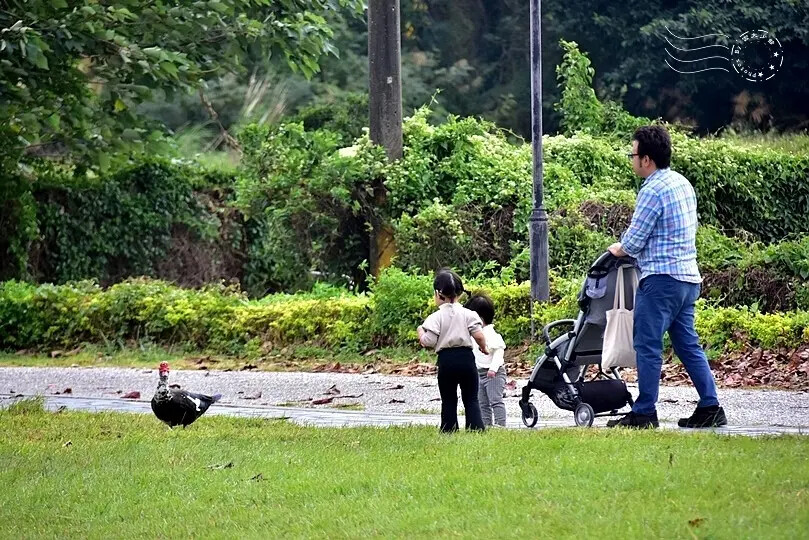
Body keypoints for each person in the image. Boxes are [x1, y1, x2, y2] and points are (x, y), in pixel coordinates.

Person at [607, 125, 727, 429]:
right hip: (687, 279)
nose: (632, 159)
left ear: (646, 159)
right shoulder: (682, 183)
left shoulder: (652, 190)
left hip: (661, 280)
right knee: (688, 345)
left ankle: (645, 412)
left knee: (647, 345)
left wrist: (617, 248)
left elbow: (634, 242)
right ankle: (711, 406)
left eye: (633, 154)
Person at [418, 269, 489, 432]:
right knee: (471, 398)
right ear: (460, 293)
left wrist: (420, 332)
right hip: (466, 358)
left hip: (446, 360)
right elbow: (478, 335)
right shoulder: (469, 314)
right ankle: (476, 427)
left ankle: (449, 428)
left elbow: (429, 341)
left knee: (448, 398)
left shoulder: (435, 317)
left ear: (438, 294)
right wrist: (483, 347)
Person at [465, 293, 507, 427]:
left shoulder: (491, 334)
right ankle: (486, 424)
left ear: (479, 318)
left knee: (495, 400)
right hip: (479, 373)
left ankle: (500, 424)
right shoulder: (474, 334)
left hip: (494, 373)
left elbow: (499, 353)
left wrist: (493, 369)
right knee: (482, 402)